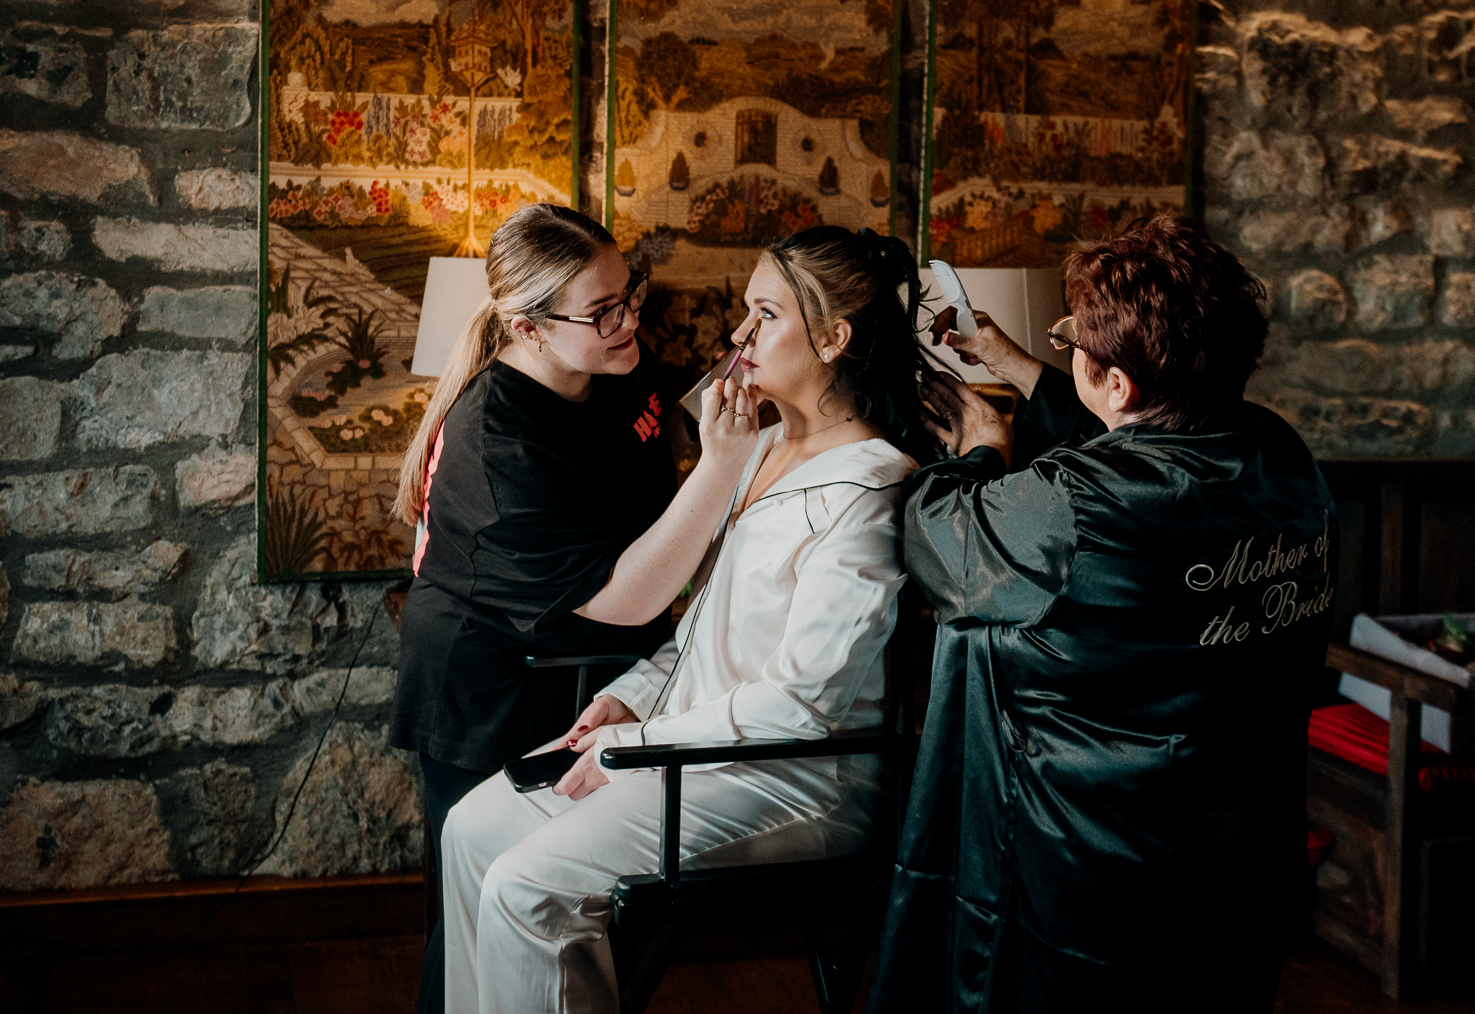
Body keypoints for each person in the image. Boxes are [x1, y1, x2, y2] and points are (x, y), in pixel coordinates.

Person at [438, 226, 941, 1014]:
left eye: (765, 314)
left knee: (529, 888)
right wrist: (634, 697)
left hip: (798, 777)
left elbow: (805, 705)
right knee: (469, 832)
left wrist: (632, 744)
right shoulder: (758, 446)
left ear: (835, 337)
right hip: (692, 744)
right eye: (745, 310)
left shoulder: (869, 488)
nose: (738, 335)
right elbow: (698, 629)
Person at [869, 217, 1336, 1014]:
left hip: (1101, 865)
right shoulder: (1277, 452)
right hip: (1244, 852)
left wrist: (982, 447)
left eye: (1071, 342)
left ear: (1114, 381)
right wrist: (1014, 364)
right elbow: (1152, 441)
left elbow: (934, 534)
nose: (1068, 353)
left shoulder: (1070, 505)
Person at [389, 203, 762, 1014]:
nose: (630, 321)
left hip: (593, 673)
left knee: (580, 920)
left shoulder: (616, 367)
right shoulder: (497, 444)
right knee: (481, 918)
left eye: (630, 294)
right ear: (527, 327)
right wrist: (723, 469)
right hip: (491, 691)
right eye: (603, 312)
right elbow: (627, 599)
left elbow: (663, 454)